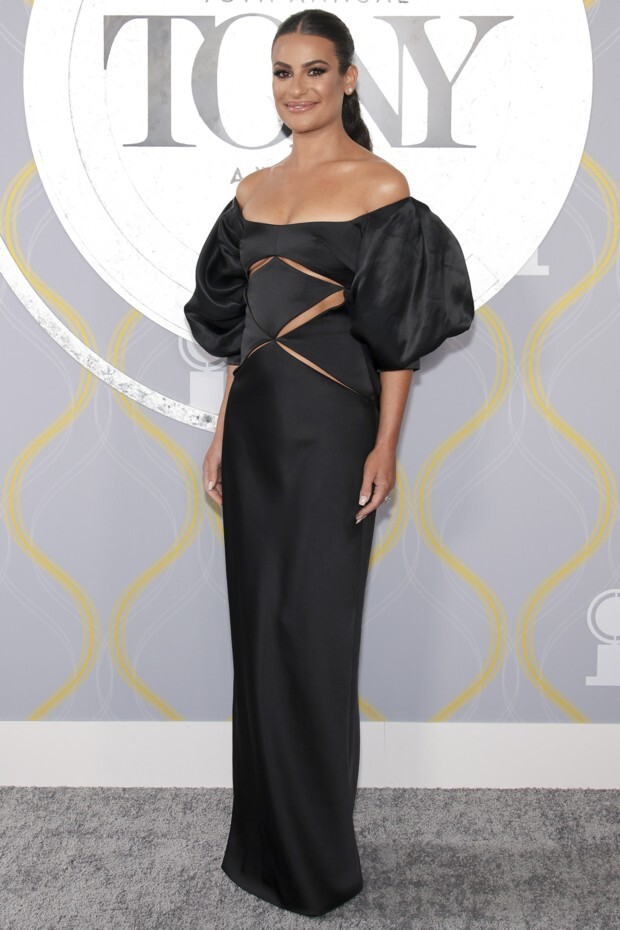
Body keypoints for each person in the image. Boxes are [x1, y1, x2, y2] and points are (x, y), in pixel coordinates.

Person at [184, 9, 475, 917]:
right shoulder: (253, 191)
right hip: (257, 434)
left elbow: (398, 339)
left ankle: (315, 861)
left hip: (330, 435)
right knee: (258, 633)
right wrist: (222, 431)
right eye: (282, 72)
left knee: (312, 636)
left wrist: (385, 445)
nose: (296, 88)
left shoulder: (381, 187)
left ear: (348, 78)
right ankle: (260, 847)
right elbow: (241, 332)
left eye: (315, 70)